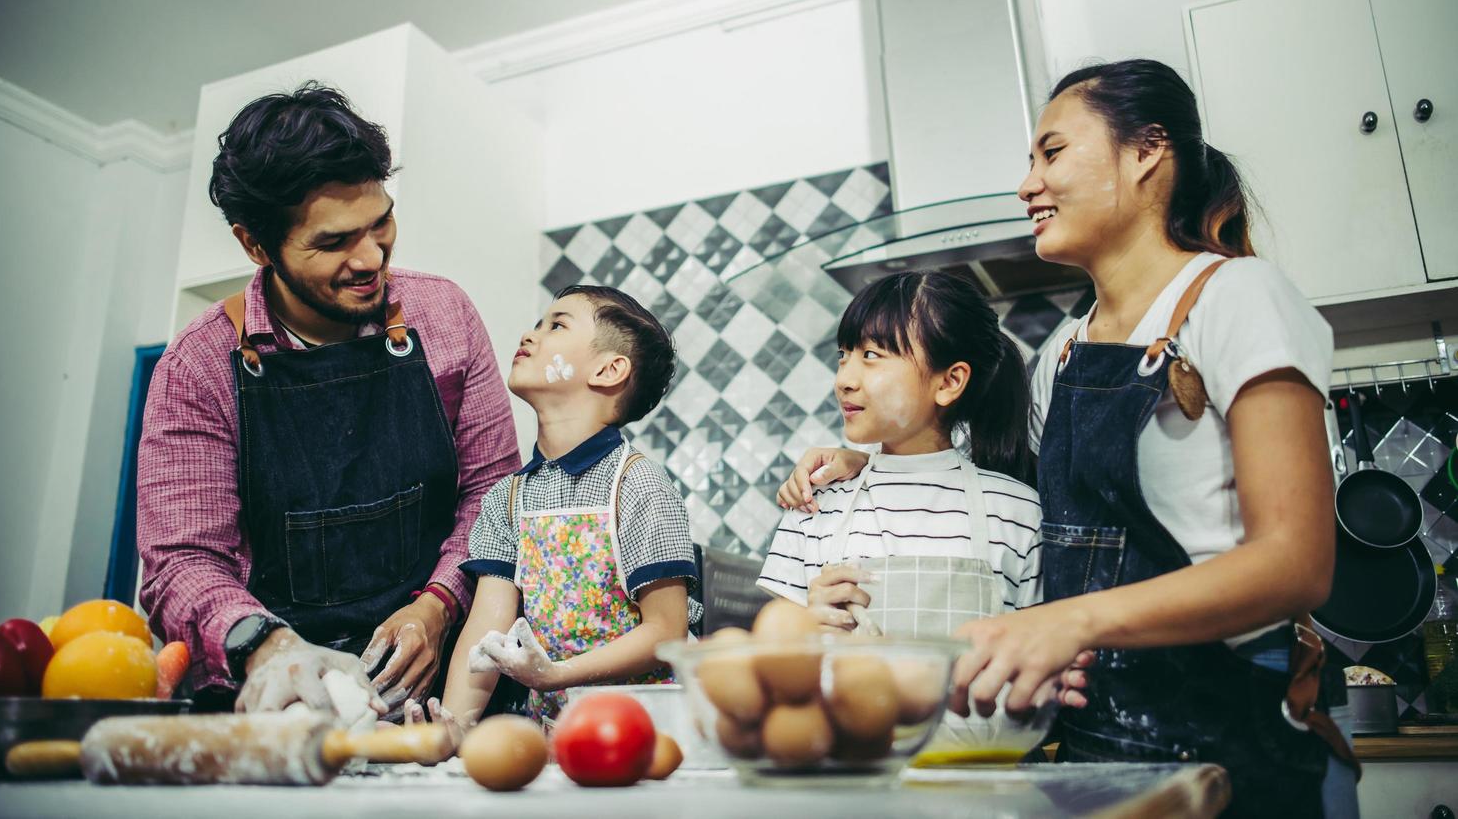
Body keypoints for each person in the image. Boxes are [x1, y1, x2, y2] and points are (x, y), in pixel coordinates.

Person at [778, 60, 1356, 817]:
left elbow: (1295, 565)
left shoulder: (1239, 297)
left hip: (1236, 730)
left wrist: (1067, 621)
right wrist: (868, 461)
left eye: (1050, 153)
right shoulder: (1064, 352)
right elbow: (1052, 520)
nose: (1026, 185)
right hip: (1100, 746)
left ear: (1147, 150)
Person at [137, 84, 520, 717]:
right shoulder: (198, 366)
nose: (371, 258)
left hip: (438, 694)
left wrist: (439, 604)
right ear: (256, 245)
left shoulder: (445, 316)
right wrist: (269, 648)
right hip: (277, 705)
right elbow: (182, 561)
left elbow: (493, 495)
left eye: (381, 223)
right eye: (333, 242)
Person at [409, 285, 697, 744]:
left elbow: (666, 631)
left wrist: (557, 674)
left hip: (647, 733)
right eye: (539, 322)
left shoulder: (638, 483)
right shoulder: (508, 497)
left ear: (608, 369)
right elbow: (488, 631)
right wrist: (453, 729)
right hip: (556, 737)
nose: (531, 334)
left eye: (557, 325)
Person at [756, 271, 1042, 637]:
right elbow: (772, 662)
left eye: (871, 355)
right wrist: (805, 630)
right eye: (844, 355)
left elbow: (1042, 660)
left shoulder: (1016, 513)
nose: (844, 379)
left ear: (950, 381)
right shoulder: (815, 505)